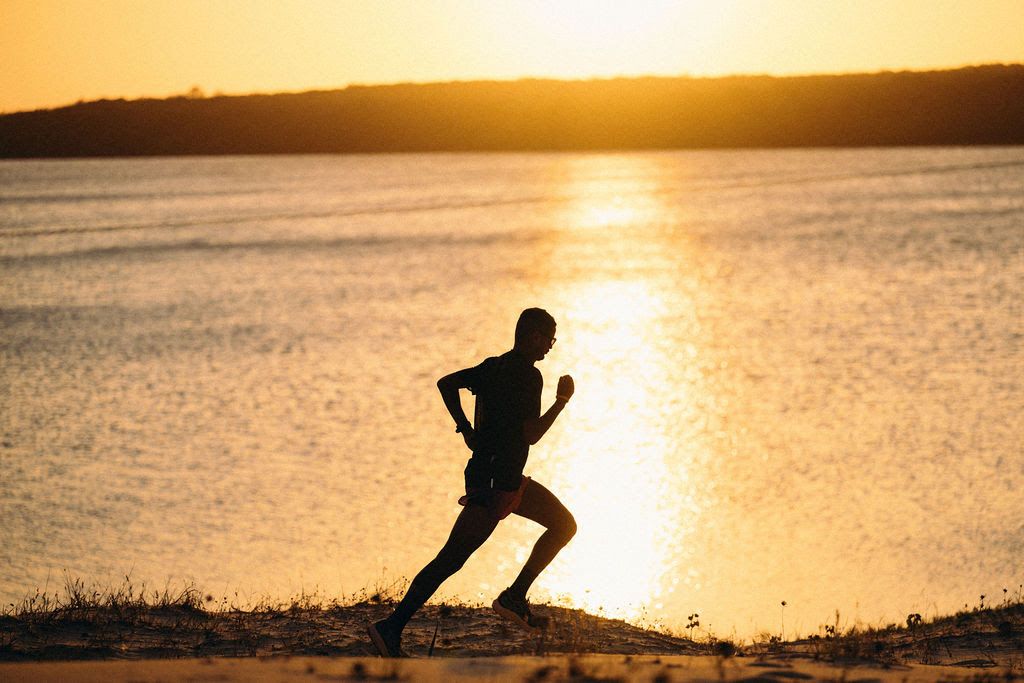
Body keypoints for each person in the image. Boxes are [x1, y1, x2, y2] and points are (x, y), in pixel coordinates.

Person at [367, 307, 577, 658]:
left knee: (563, 524)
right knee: (451, 559)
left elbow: (446, 383)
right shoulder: (529, 376)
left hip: (502, 478)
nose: (550, 347)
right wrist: (561, 402)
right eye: (549, 339)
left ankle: (515, 596)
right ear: (534, 336)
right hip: (494, 484)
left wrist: (466, 429)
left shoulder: (492, 366)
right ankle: (391, 627)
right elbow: (531, 434)